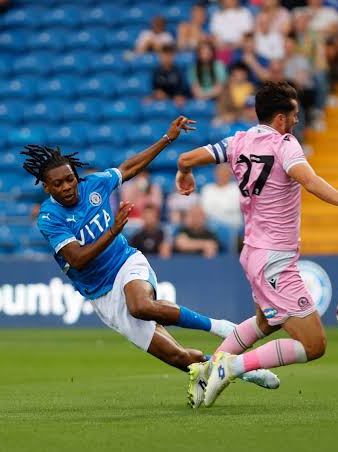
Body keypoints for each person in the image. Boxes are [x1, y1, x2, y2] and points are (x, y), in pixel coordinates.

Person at [23, 117, 278, 389]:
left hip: (125, 263)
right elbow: (77, 258)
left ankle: (220, 327)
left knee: (141, 306)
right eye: (58, 184)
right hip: (102, 293)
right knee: (179, 357)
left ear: (76, 175)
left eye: (70, 179)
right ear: (47, 187)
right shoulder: (49, 217)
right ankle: (243, 370)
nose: (66, 187)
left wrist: (167, 139)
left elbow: (129, 167)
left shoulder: (93, 185)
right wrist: (113, 230)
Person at [174, 81, 338, 407]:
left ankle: (207, 369)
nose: (296, 121)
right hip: (275, 259)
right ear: (281, 118)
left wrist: (184, 173)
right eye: (294, 115)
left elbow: (187, 157)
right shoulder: (285, 144)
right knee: (314, 344)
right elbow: (308, 180)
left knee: (267, 321)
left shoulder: (239, 140)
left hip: (252, 251)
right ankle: (232, 367)